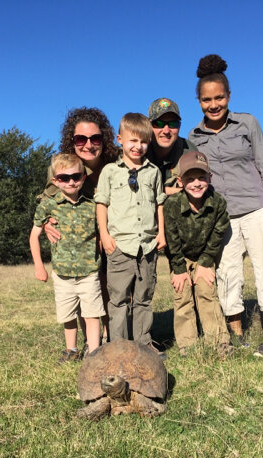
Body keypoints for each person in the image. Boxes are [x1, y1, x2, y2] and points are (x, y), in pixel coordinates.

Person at [188, 54, 263, 358]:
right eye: (207, 100)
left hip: (258, 209)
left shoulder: (247, 123)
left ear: (229, 96)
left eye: (219, 97)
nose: (214, 104)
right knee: (228, 275)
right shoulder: (194, 136)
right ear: (199, 101)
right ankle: (237, 335)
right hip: (222, 217)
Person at [38, 107, 118, 345]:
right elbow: (46, 201)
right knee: (90, 286)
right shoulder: (64, 167)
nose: (88, 144)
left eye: (95, 138)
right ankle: (92, 341)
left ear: (104, 139)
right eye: (81, 139)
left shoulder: (116, 162)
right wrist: (45, 224)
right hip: (83, 241)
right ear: (71, 141)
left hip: (114, 231)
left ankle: (112, 334)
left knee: (111, 287)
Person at [94, 113, 167, 355]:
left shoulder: (153, 172)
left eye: (144, 141)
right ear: (120, 140)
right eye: (133, 141)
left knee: (144, 299)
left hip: (146, 246)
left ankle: (144, 344)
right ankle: (118, 346)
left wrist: (161, 234)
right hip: (120, 246)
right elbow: (101, 204)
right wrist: (104, 235)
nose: (138, 147)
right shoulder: (110, 172)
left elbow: (159, 204)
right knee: (118, 301)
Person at [29, 153, 105, 362]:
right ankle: (71, 349)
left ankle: (94, 351)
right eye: (64, 178)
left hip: (89, 272)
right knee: (68, 315)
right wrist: (39, 266)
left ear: (83, 177)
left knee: (91, 314)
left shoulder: (92, 205)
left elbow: (100, 234)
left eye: (76, 176)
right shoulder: (48, 206)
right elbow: (34, 236)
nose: (71, 182)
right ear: (55, 181)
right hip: (62, 274)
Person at [163, 151, 233, 357]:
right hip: (180, 257)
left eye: (202, 178)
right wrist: (178, 269)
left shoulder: (218, 203)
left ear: (210, 178)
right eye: (190, 179)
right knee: (182, 293)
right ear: (180, 181)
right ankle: (188, 345)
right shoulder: (173, 204)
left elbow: (218, 233)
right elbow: (171, 240)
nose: (196, 183)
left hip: (204, 255)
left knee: (207, 291)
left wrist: (204, 263)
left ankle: (220, 341)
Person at [145, 97, 198, 195]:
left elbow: (197, 190)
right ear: (149, 125)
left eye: (173, 124)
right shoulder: (138, 149)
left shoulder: (189, 152)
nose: (166, 131)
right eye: (159, 123)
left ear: (180, 126)